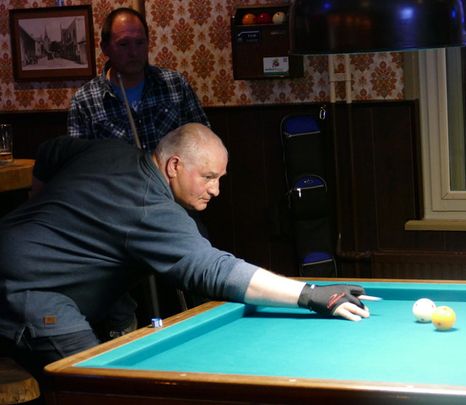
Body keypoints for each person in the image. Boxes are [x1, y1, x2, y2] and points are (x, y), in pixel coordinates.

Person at [0, 123, 375, 384]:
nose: (216, 190)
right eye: (208, 177)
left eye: (220, 179)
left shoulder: (109, 150)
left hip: (16, 259)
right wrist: (309, 294)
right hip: (28, 289)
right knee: (97, 388)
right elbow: (215, 270)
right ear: (174, 165)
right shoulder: (150, 208)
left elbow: (51, 150)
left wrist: (39, 203)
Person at [67, 7, 209, 151]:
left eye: (140, 42)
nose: (133, 52)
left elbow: (204, 141)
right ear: (105, 48)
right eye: (123, 44)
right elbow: (78, 160)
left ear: (148, 43)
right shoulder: (84, 101)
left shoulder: (175, 84)